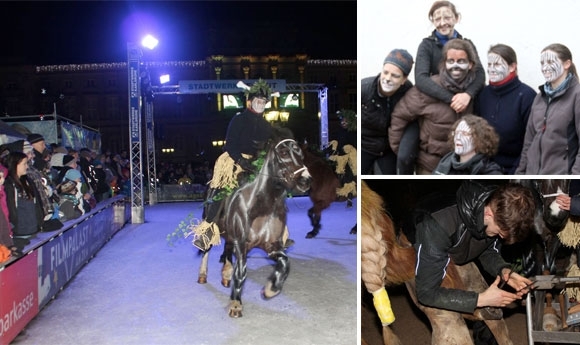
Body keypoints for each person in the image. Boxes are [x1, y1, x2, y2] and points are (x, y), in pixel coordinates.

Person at [410, 180, 536, 344]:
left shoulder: (499, 209)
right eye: (498, 233)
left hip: (454, 250)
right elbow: (427, 293)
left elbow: (487, 249)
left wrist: (504, 271)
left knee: (492, 313)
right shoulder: (436, 225)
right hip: (419, 254)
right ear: (489, 213)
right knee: (453, 329)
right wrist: (481, 299)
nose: (499, 238)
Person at [397, 0, 485, 174]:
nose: (442, 22)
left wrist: (467, 94)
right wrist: (450, 98)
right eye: (437, 18)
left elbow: (480, 74)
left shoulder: (467, 44)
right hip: (432, 104)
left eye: (447, 17)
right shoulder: (427, 45)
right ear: (432, 21)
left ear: (456, 18)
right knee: (404, 155)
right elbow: (421, 78)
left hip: (462, 106)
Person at [192, 79, 276, 250]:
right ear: (250, 101)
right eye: (258, 101)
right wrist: (242, 161)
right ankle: (207, 231)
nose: (260, 104)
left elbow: (270, 146)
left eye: (263, 102)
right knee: (222, 190)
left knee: (273, 191)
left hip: (257, 164)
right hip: (234, 160)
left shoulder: (267, 126)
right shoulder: (239, 120)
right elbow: (229, 145)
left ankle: (278, 233)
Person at [389, 38, 479, 174]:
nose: (456, 66)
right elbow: (400, 116)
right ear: (444, 63)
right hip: (429, 167)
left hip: (463, 169)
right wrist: (402, 154)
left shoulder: (476, 92)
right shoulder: (427, 89)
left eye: (461, 61)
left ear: (471, 64)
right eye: (451, 61)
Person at [516, 43, 580, 174]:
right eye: (542, 63)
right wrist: (520, 174)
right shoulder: (539, 97)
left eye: (550, 62)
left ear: (567, 64)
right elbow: (529, 141)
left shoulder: (577, 95)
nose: (545, 68)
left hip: (561, 180)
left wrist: (574, 178)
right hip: (532, 177)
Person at [475, 44, 536, 174]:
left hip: (516, 169)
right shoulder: (483, 94)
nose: (491, 69)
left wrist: (517, 171)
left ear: (512, 67)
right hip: (485, 168)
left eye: (496, 65)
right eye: (489, 65)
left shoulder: (527, 96)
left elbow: (531, 142)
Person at [361, 49, 414, 174]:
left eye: (395, 75)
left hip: (390, 149)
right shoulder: (363, 89)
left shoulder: (408, 92)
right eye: (385, 72)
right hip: (365, 146)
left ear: (404, 80)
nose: (387, 78)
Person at [433, 115, 503, 175]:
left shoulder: (489, 172)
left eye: (465, 134)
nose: (458, 137)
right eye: (456, 133)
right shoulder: (446, 162)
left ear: (479, 138)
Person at [4, 152, 43, 250]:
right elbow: (9, 208)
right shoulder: (9, 185)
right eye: (24, 164)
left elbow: (37, 204)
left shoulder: (28, 181)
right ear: (15, 164)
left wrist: (39, 221)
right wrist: (13, 227)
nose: (27, 166)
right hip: (19, 232)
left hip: (33, 229)